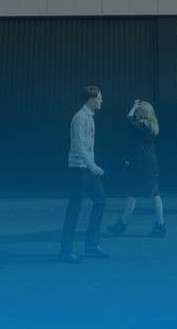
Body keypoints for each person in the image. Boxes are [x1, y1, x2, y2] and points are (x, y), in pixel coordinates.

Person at [59, 85, 110, 263]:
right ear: (91, 100)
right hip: (79, 169)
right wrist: (92, 166)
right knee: (74, 208)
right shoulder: (80, 117)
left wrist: (92, 165)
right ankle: (65, 251)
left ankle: (91, 244)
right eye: (99, 98)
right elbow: (78, 147)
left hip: (88, 167)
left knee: (101, 201)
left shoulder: (90, 117)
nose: (102, 101)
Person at [106, 100, 167, 237]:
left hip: (141, 167)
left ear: (143, 113)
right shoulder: (150, 125)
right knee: (153, 194)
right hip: (149, 166)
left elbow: (128, 121)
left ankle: (122, 225)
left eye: (138, 112)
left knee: (134, 194)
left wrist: (134, 106)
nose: (135, 114)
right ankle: (160, 225)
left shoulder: (143, 125)